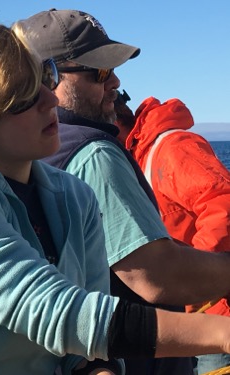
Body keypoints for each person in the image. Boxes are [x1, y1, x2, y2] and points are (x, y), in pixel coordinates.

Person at [15, 9, 230, 375]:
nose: (114, 82)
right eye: (99, 72)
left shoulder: (24, 158)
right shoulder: (96, 154)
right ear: (47, 76)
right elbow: (154, 275)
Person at [114, 92, 230, 374]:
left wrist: (194, 280)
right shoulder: (137, 157)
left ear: (114, 119)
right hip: (187, 317)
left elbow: (223, 204)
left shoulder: (172, 146)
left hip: (215, 314)